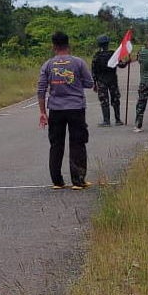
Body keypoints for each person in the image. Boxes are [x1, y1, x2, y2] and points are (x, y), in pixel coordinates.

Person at [37, 31, 95, 190]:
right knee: (77, 142)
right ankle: (78, 180)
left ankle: (57, 181)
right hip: (76, 108)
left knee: (56, 144)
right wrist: (76, 83)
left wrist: (42, 112)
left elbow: (41, 89)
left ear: (53, 46)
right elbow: (89, 83)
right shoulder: (78, 63)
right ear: (68, 45)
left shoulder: (48, 64)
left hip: (55, 109)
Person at [90, 35, 124, 127]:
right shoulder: (113, 54)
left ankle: (106, 121)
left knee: (104, 101)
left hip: (101, 81)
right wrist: (127, 61)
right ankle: (118, 120)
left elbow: (94, 71)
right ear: (108, 44)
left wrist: (95, 83)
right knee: (115, 100)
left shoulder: (96, 56)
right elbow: (121, 65)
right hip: (112, 80)